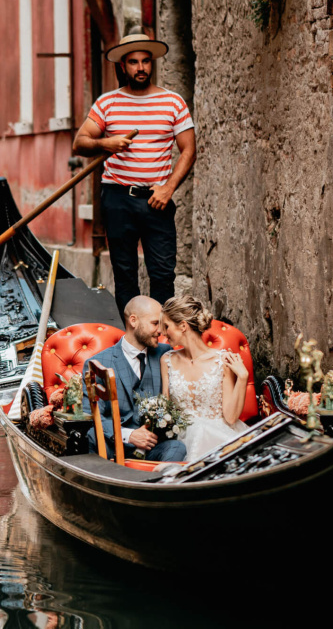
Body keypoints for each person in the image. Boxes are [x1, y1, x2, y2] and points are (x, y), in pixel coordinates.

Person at [72, 33, 197, 320]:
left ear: (151, 64)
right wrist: (107, 143)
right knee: (125, 275)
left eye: (145, 62)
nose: (140, 68)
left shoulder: (172, 102)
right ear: (123, 67)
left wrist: (168, 188)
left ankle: (162, 340)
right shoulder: (108, 104)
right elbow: (80, 143)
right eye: (133, 62)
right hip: (117, 198)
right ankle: (132, 340)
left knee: (163, 275)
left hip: (158, 198)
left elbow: (189, 150)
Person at [82, 295, 186, 462]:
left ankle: (162, 484)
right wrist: (129, 435)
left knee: (177, 447)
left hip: (154, 446)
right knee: (92, 436)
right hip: (114, 446)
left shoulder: (165, 354)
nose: (160, 331)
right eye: (155, 323)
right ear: (133, 321)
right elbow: (90, 415)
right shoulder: (99, 363)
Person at [160, 295, 249, 460]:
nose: (163, 333)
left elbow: (230, 417)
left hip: (220, 435)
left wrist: (242, 377)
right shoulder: (167, 360)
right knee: (198, 430)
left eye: (166, 326)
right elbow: (166, 410)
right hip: (182, 438)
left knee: (202, 431)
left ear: (183, 326)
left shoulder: (222, 361)